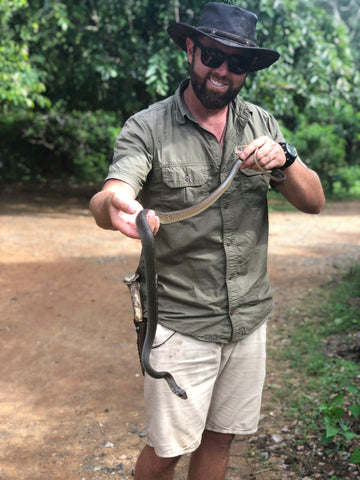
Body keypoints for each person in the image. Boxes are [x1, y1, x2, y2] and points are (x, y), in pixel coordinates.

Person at [90, 3, 325, 479]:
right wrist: (116, 206)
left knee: (221, 438)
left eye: (237, 64)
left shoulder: (261, 125)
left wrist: (285, 158)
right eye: (213, 56)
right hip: (181, 321)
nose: (222, 71)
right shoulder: (148, 127)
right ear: (191, 51)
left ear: (248, 71)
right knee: (167, 449)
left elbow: (315, 201)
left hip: (248, 317)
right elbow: (113, 192)